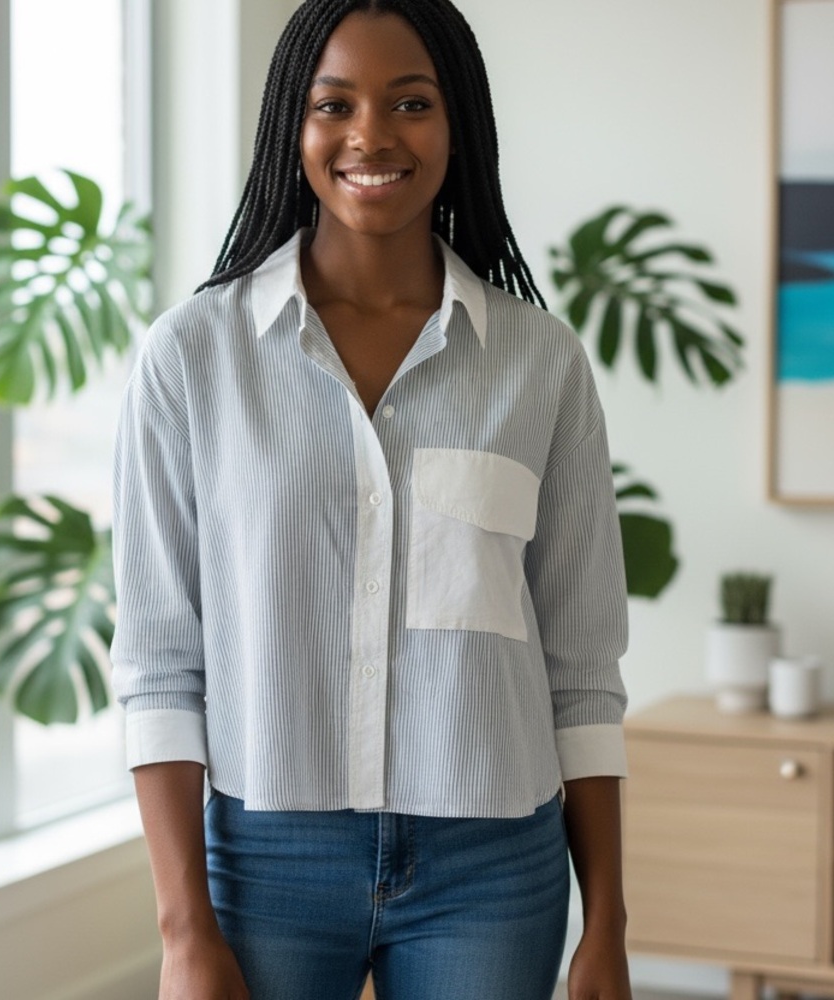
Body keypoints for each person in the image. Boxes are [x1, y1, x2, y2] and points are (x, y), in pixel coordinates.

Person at [111, 1, 632, 998]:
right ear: (289, 129)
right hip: (267, 864)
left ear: (459, 125)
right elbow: (159, 666)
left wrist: (606, 920)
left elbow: (581, 665)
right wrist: (184, 930)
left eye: (411, 102)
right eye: (333, 103)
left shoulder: (541, 365)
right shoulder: (191, 359)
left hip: (492, 865)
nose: (371, 135)